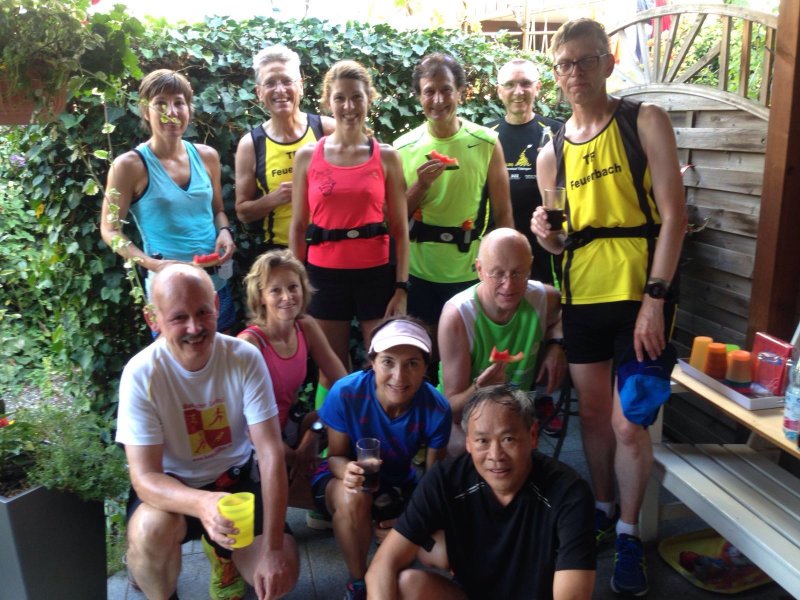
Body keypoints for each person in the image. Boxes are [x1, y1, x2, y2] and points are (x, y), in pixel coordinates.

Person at [531, 18, 687, 596]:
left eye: (586, 60)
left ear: (609, 61)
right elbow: (561, 242)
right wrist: (546, 236)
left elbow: (675, 216)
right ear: (557, 73)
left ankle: (628, 532)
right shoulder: (551, 151)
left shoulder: (643, 121)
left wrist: (656, 298)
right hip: (582, 296)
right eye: (564, 64)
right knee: (595, 417)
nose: (575, 72)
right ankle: (602, 508)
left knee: (629, 421)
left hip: (640, 292)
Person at [116, 264, 298, 600]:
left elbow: (271, 452)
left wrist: (272, 549)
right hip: (173, 491)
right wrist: (203, 503)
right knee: (150, 531)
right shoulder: (141, 373)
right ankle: (155, 581)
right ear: (153, 319)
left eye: (202, 312)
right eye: (178, 317)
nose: (194, 327)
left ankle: (223, 553)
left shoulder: (244, 357)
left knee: (283, 570)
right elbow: (144, 477)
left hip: (235, 483)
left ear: (216, 304)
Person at [365, 384, 596, 600]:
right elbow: (382, 565)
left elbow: (572, 596)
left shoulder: (569, 494)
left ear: (533, 435)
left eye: (508, 439)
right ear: (468, 443)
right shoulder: (446, 479)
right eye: (482, 441)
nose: (495, 455)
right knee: (408, 584)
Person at [310, 317, 451, 600]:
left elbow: (433, 480)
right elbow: (335, 457)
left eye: (412, 363)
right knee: (354, 497)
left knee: (435, 550)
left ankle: (383, 537)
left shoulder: (437, 408)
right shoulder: (346, 393)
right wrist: (349, 471)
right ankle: (358, 580)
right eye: (388, 362)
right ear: (372, 361)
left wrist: (410, 520)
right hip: (342, 481)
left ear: (425, 368)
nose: (399, 376)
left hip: (399, 484)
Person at [290, 60, 409, 392]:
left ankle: (378, 425)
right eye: (340, 98)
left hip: (376, 274)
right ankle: (333, 427)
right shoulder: (307, 157)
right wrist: (297, 284)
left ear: (369, 99)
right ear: (328, 101)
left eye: (357, 97)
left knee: (384, 365)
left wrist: (401, 288)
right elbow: (298, 226)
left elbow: (400, 230)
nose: (349, 106)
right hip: (324, 276)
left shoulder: (387, 156)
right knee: (331, 372)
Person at [100, 69, 237, 332]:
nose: (171, 112)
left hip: (215, 286)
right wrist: (154, 264)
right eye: (161, 103)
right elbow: (110, 230)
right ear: (144, 110)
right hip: (168, 293)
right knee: (174, 359)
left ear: (189, 109)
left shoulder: (207, 156)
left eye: (179, 103)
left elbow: (218, 210)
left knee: (222, 356)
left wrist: (224, 231)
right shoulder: (129, 166)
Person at [393, 52, 513, 335]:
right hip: (419, 271)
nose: (438, 100)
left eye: (446, 90)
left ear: (460, 92)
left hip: (471, 270)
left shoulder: (486, 142)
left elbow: (503, 212)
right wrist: (421, 185)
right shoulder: (402, 148)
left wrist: (506, 269)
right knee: (425, 348)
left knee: (467, 348)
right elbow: (394, 219)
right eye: (429, 91)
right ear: (418, 96)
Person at [438, 228, 566, 454]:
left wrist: (557, 344)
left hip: (512, 413)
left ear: (529, 267)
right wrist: (479, 388)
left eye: (517, 273)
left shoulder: (543, 297)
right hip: (466, 414)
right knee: (468, 448)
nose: (508, 286)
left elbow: (567, 314)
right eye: (497, 274)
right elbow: (453, 410)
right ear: (479, 270)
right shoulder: (458, 315)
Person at [238, 249, 348, 504]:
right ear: (261, 296)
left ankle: (307, 489)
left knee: (346, 413)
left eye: (292, 287)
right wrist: (292, 456)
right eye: (275, 290)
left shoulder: (305, 326)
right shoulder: (249, 344)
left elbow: (345, 388)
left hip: (287, 427)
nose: (287, 297)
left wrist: (315, 431)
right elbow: (243, 422)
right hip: (253, 438)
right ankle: (295, 493)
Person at [235, 45, 335, 273]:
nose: (280, 90)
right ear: (259, 92)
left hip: (330, 246)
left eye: (287, 81)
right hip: (280, 255)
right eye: (270, 83)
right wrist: (274, 198)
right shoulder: (251, 144)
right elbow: (242, 212)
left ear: (300, 85)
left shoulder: (327, 130)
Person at [487, 58, 563, 288]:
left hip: (545, 242)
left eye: (526, 84)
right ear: (499, 91)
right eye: (510, 85)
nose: (518, 92)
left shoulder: (557, 132)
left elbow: (569, 190)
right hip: (498, 242)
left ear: (537, 87)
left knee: (545, 303)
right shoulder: (486, 135)